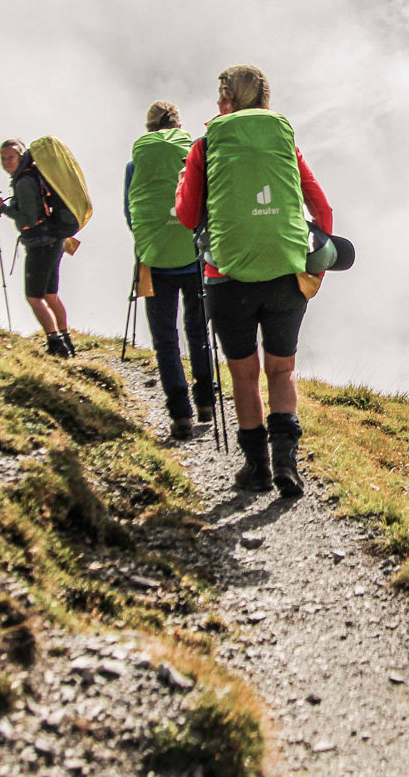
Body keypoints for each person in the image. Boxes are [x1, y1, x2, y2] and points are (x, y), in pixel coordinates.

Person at [176, 65, 332, 496]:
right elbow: (322, 207)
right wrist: (313, 268)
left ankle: (257, 469)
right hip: (286, 274)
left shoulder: (206, 147)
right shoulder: (284, 141)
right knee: (282, 372)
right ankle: (288, 466)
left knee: (244, 375)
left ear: (227, 100)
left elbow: (188, 216)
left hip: (227, 279)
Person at [127, 102, 218, 440]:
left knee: (165, 337)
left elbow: (130, 210)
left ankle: (180, 413)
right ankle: (206, 401)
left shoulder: (135, 164)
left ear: (148, 129)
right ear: (179, 127)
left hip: (155, 258)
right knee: (197, 330)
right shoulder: (193, 157)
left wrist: (147, 241)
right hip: (194, 254)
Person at [0, 139, 78, 357]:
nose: (6, 162)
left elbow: (28, 219)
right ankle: (66, 339)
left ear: (20, 156)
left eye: (10, 157)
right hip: (54, 240)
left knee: (34, 297)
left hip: (40, 244)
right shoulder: (33, 174)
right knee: (50, 294)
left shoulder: (24, 182)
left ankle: (56, 344)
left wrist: (3, 208)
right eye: (3, 158)